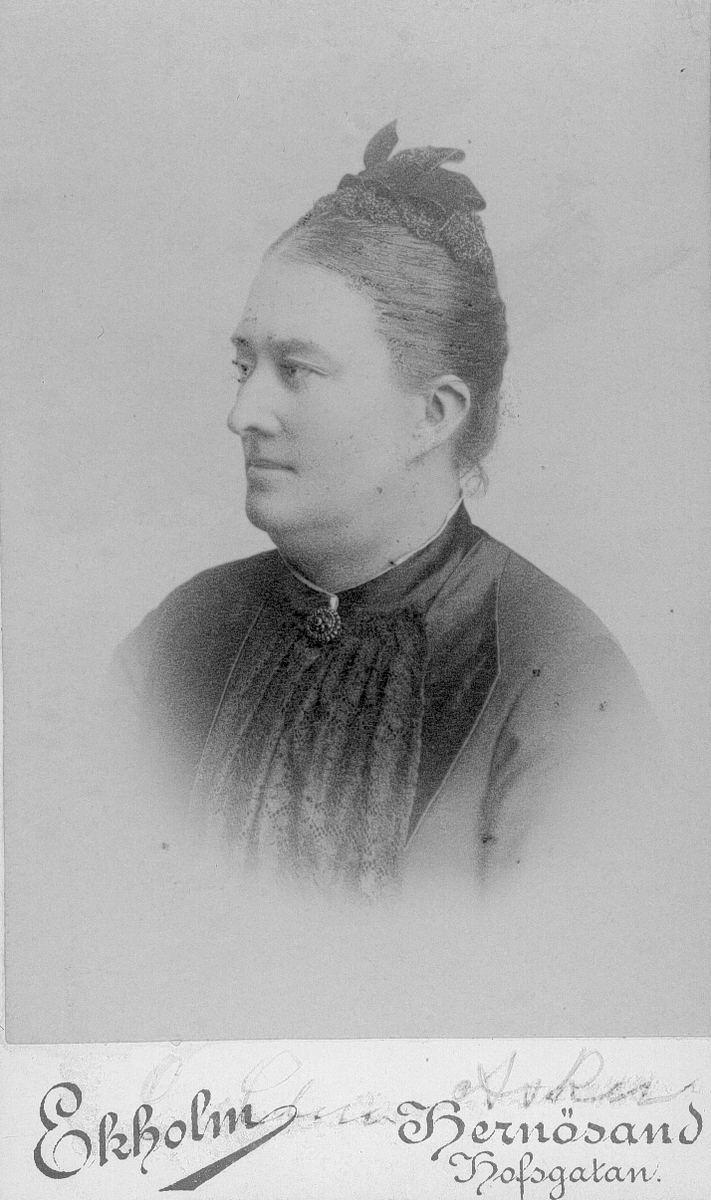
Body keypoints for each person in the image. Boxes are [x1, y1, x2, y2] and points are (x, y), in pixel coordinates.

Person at [114, 122, 653, 903]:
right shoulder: (179, 631)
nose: (242, 414)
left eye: (296, 369)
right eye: (243, 367)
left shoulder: (563, 680)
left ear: (432, 414)